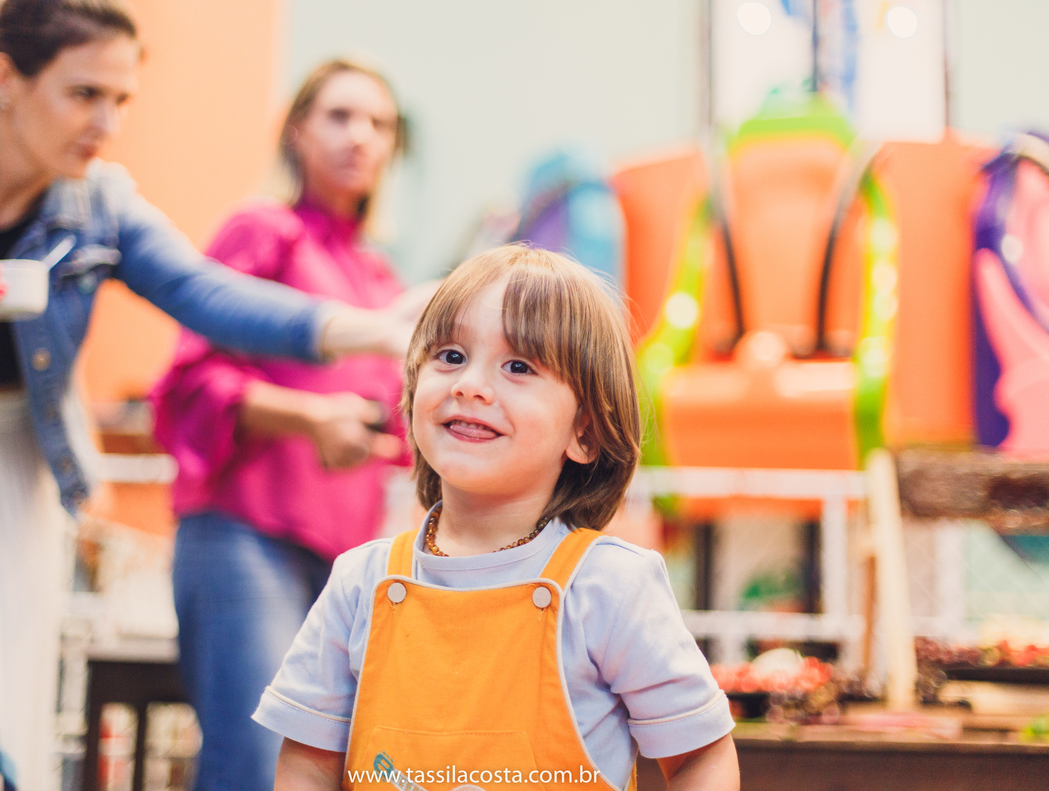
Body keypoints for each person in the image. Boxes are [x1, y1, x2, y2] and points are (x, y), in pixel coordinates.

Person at [0, 0, 419, 790]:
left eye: (122, 99)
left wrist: (373, 329)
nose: (107, 121)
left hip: (11, 478)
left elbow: (210, 296)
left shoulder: (103, 206)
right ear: (5, 79)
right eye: (85, 94)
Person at [257, 245, 740, 791]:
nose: (470, 384)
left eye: (518, 366)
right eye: (451, 356)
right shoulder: (358, 583)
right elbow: (308, 762)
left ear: (584, 433)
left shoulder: (608, 586)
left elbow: (701, 757)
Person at [149, 59, 415, 791]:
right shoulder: (262, 231)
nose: (359, 136)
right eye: (339, 116)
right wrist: (310, 418)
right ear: (296, 131)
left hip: (345, 564)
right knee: (256, 767)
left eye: (379, 123)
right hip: (244, 537)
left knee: (327, 772)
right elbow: (187, 382)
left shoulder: (383, 283)